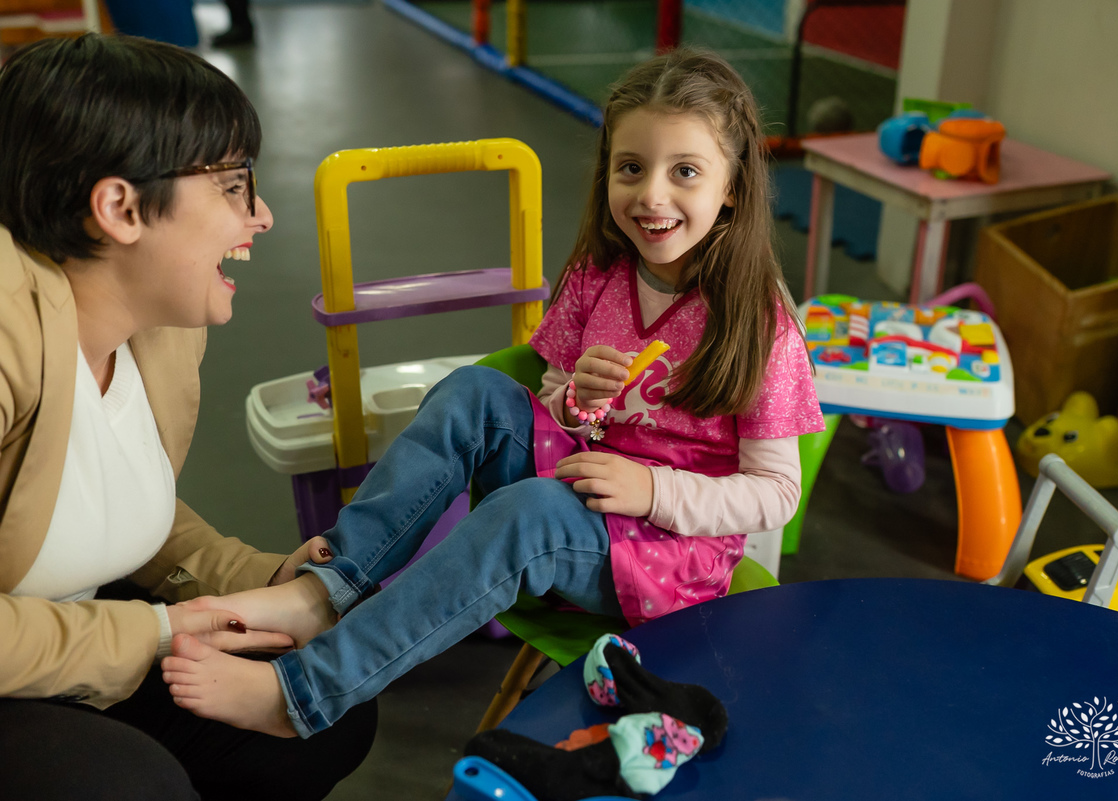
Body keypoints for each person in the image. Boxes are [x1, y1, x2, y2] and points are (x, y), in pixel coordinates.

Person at [161, 47, 824, 744]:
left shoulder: (760, 322)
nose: (651, 196)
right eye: (631, 168)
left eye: (684, 171)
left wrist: (651, 489)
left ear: (732, 187)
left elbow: (777, 491)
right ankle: (324, 589)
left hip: (668, 554)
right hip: (583, 488)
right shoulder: (599, 272)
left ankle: (305, 692)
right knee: (476, 390)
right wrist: (576, 400)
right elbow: (557, 398)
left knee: (528, 513)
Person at [0, 34, 375, 800]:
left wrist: (262, 579)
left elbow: (97, 499)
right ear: (120, 208)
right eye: (233, 185)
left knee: (318, 704)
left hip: (67, 632)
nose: (261, 213)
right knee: (128, 785)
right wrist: (165, 631)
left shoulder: (156, 323)